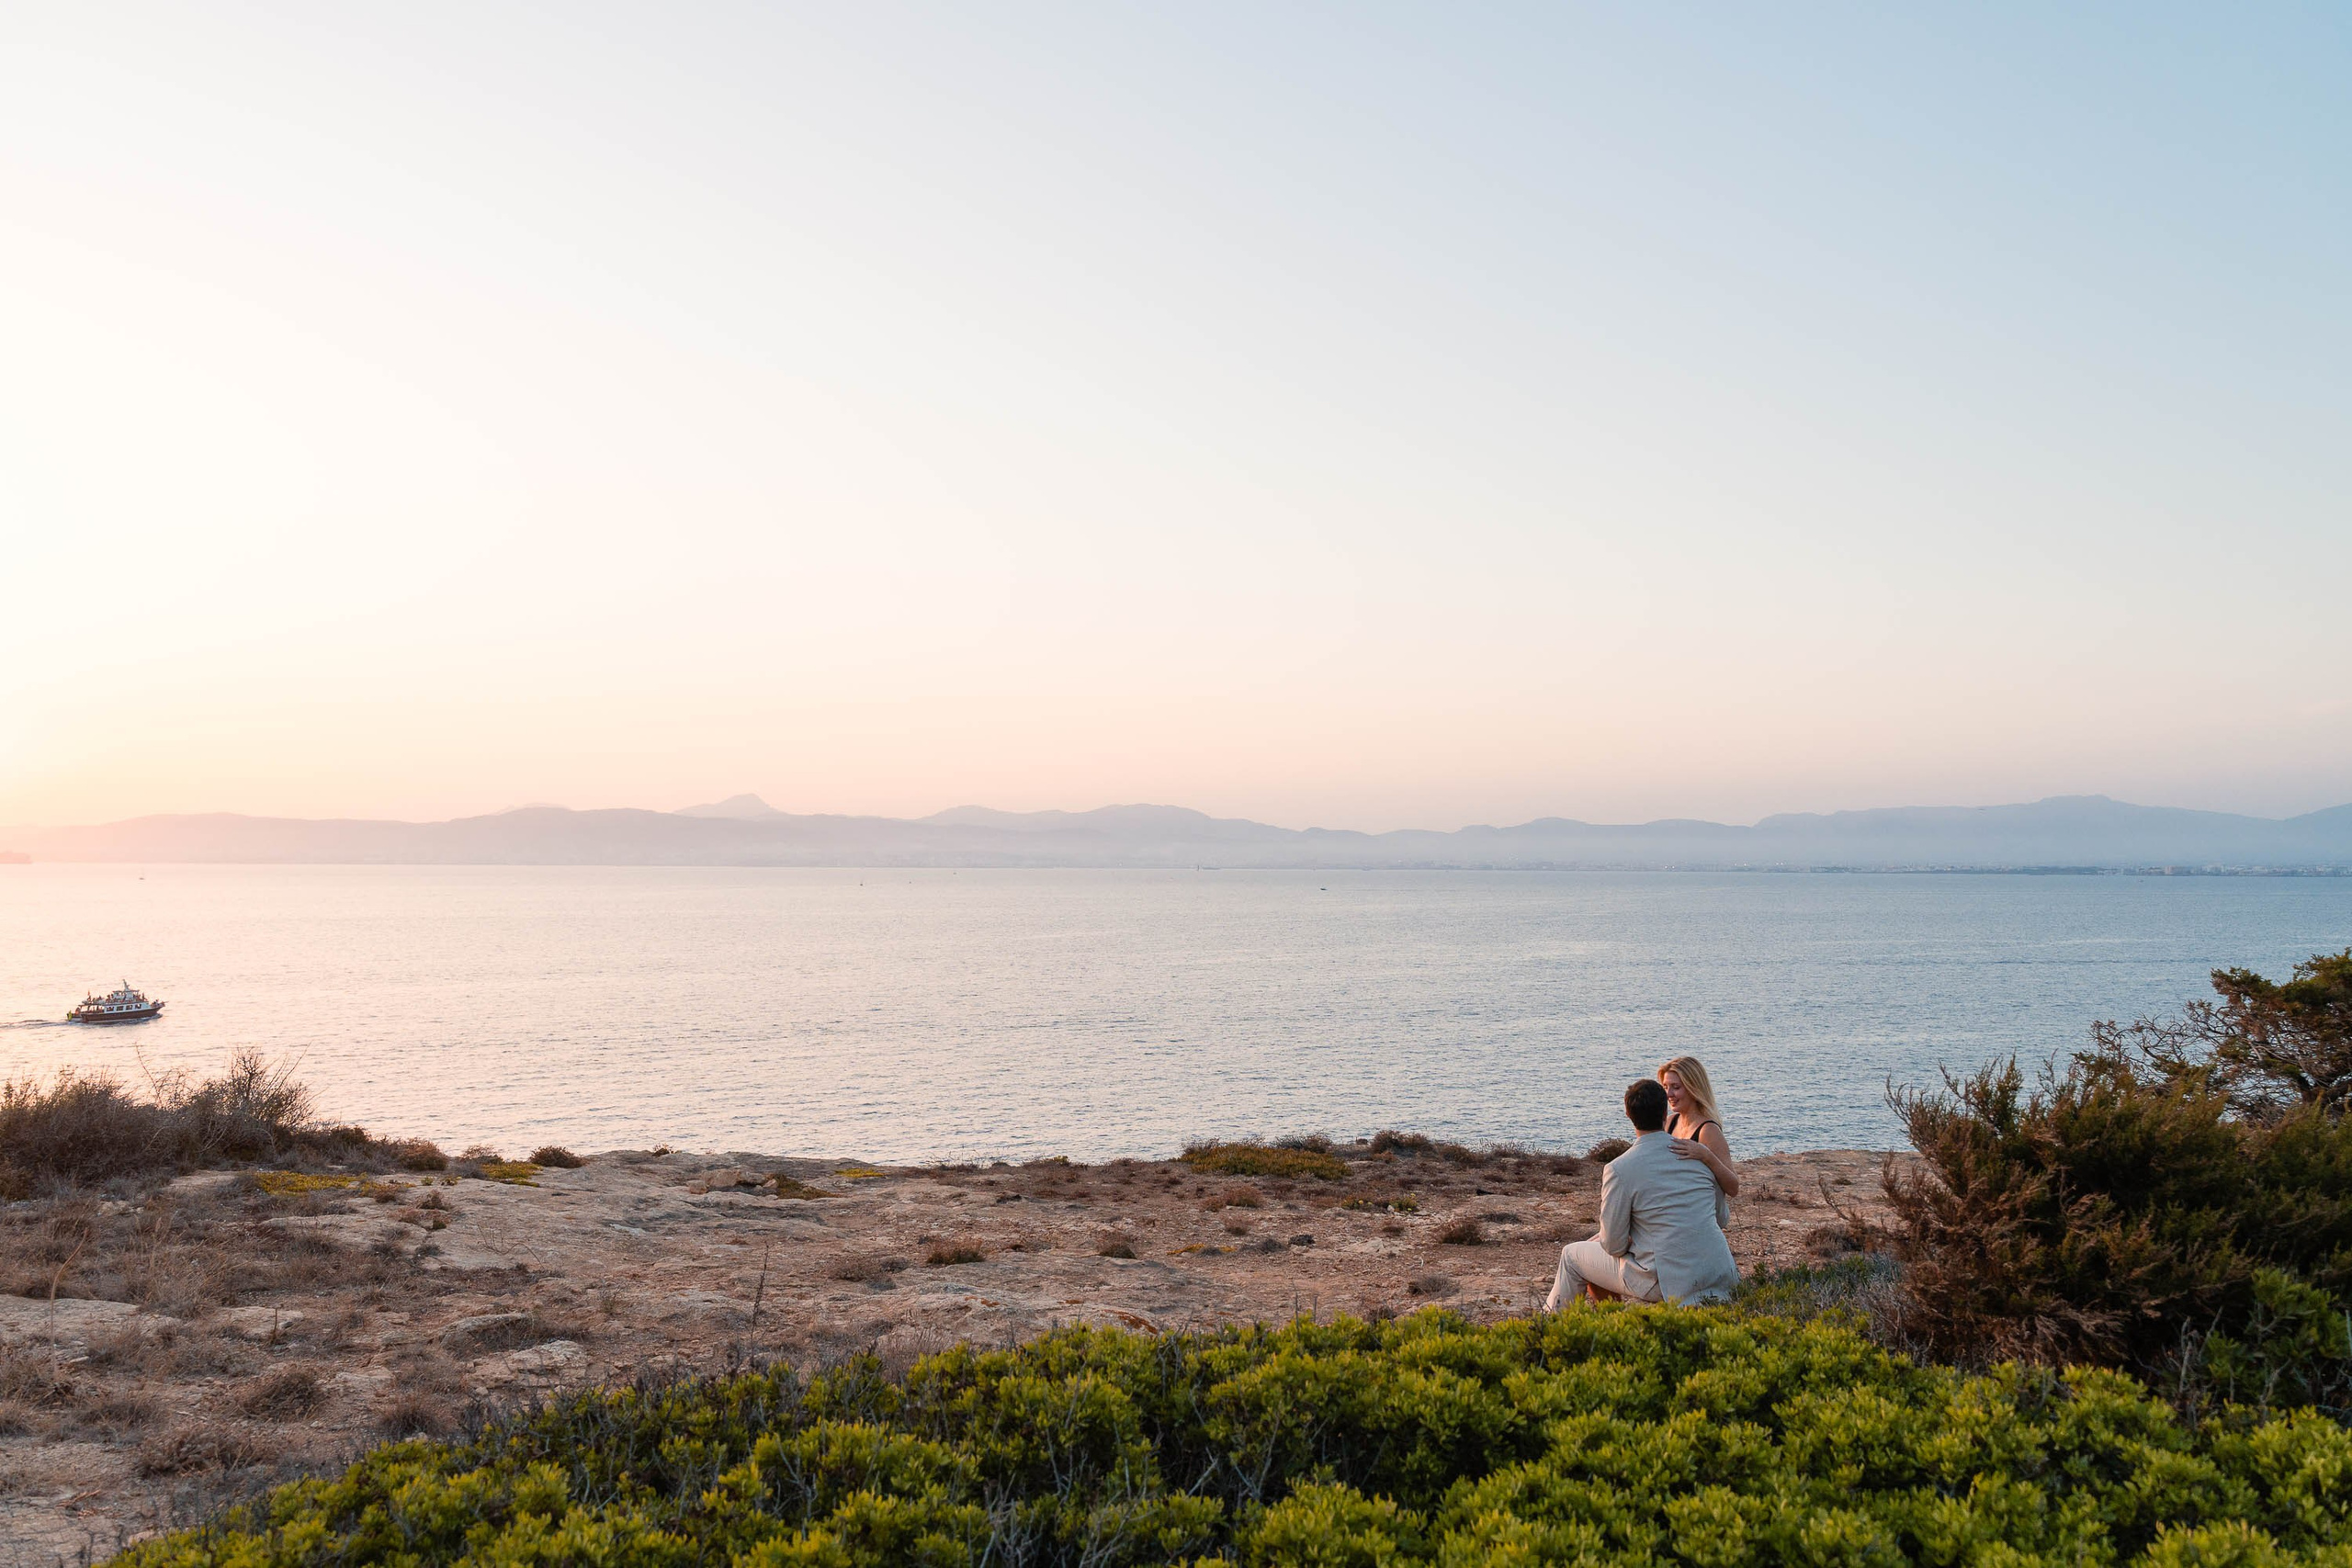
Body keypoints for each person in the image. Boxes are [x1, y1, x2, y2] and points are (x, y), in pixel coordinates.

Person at [1545, 1078, 1740, 1308]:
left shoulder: (1619, 1169)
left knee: (1572, 1255)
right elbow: (1720, 1219)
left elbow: (1614, 1246)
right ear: (1664, 1113)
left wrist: (1632, 1236)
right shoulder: (1700, 1158)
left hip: (1667, 1282)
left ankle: (1547, 1330)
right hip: (1718, 1273)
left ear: (1628, 1115)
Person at [1658, 1055, 1740, 1198]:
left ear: (1693, 1088)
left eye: (1676, 1087)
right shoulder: (1669, 1123)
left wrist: (1706, 1156)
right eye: (1665, 1087)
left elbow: (1733, 1188)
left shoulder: (1708, 1131)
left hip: (1700, 1211)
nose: (1669, 1094)